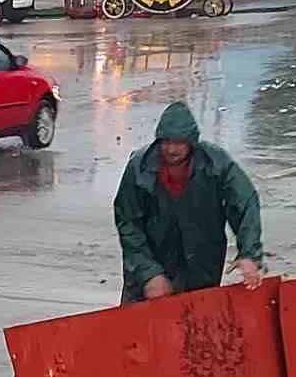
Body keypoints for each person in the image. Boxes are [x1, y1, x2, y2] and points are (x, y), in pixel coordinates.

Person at [113, 101, 264, 304]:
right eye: (165, 141)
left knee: (195, 330)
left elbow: (245, 203)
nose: (171, 149)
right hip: (148, 268)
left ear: (191, 142)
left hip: (200, 268)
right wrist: (149, 274)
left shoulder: (216, 164)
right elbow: (128, 224)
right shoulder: (139, 168)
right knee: (138, 332)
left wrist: (249, 254)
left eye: (178, 142)